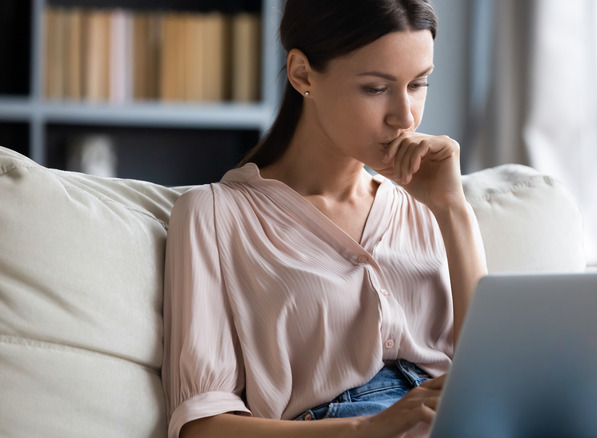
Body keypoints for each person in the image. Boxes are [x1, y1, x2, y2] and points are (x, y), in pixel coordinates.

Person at [162, 0, 487, 437]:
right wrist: (367, 429)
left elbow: (492, 378)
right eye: (376, 88)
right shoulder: (217, 215)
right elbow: (202, 426)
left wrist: (453, 210)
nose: (405, 116)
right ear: (302, 74)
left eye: (418, 84)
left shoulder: (430, 208)